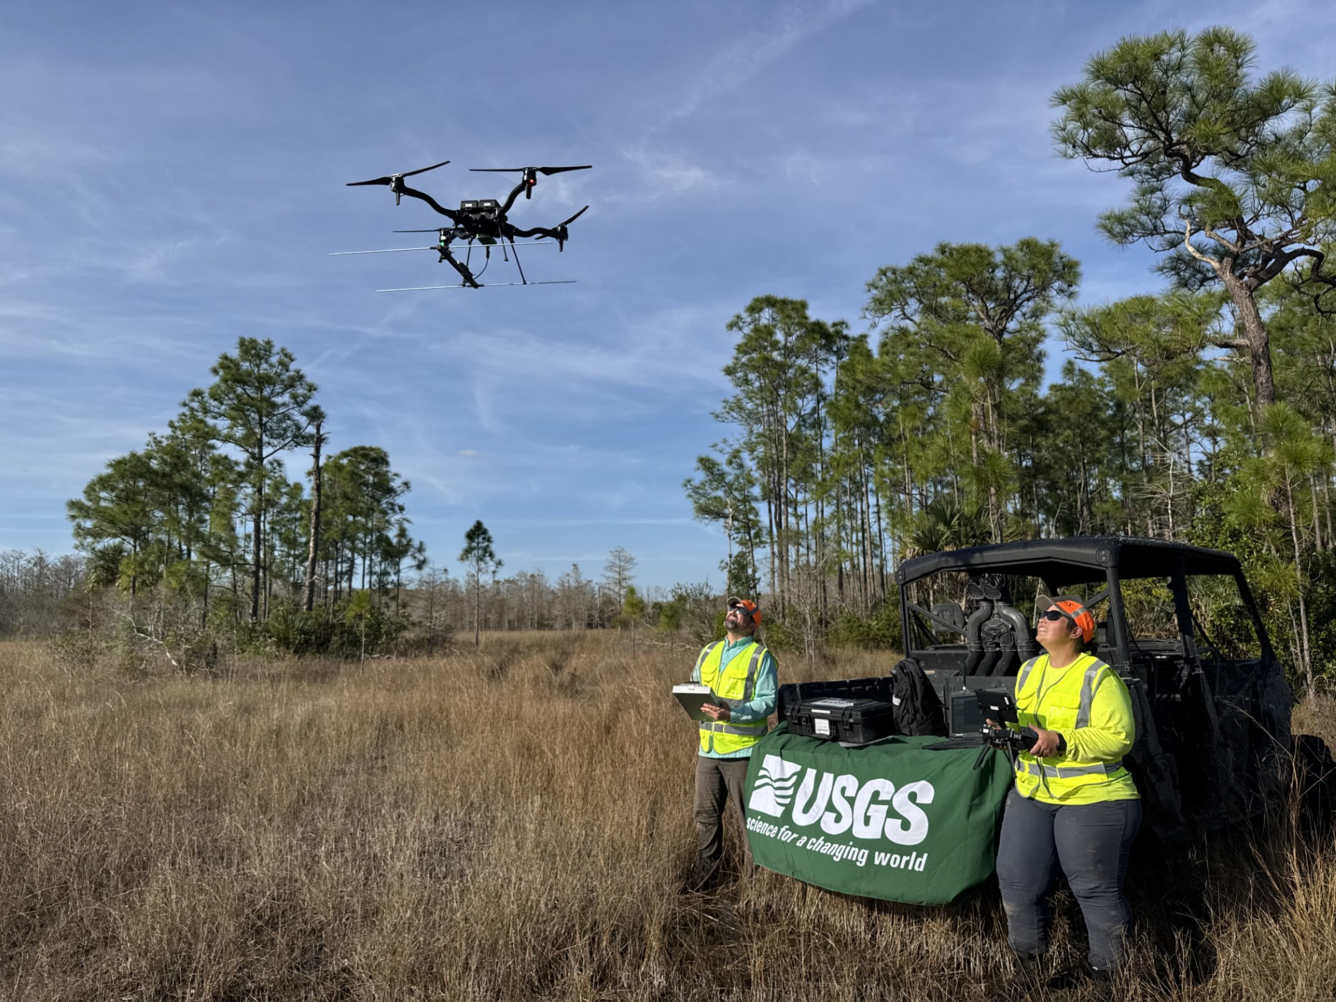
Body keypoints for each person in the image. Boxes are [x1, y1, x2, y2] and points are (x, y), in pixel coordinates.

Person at [994, 595, 1141, 976]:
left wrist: (1061, 740)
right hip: (1033, 793)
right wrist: (1004, 729)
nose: (1041, 619)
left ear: (1076, 631)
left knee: (1094, 889)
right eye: (1041, 613)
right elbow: (1027, 725)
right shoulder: (1029, 670)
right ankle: (1030, 971)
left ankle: (1110, 979)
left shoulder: (1098, 675)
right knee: (1016, 881)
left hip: (1095, 797)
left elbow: (1120, 738)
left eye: (1053, 616)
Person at [687, 596, 778, 891]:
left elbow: (768, 702)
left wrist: (733, 714)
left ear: (752, 624)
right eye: (731, 609)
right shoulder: (709, 650)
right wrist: (691, 697)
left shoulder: (760, 657)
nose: (733, 613)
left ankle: (756, 886)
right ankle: (705, 877)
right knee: (705, 817)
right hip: (708, 750)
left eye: (741, 612)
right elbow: (694, 683)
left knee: (749, 821)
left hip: (743, 754)